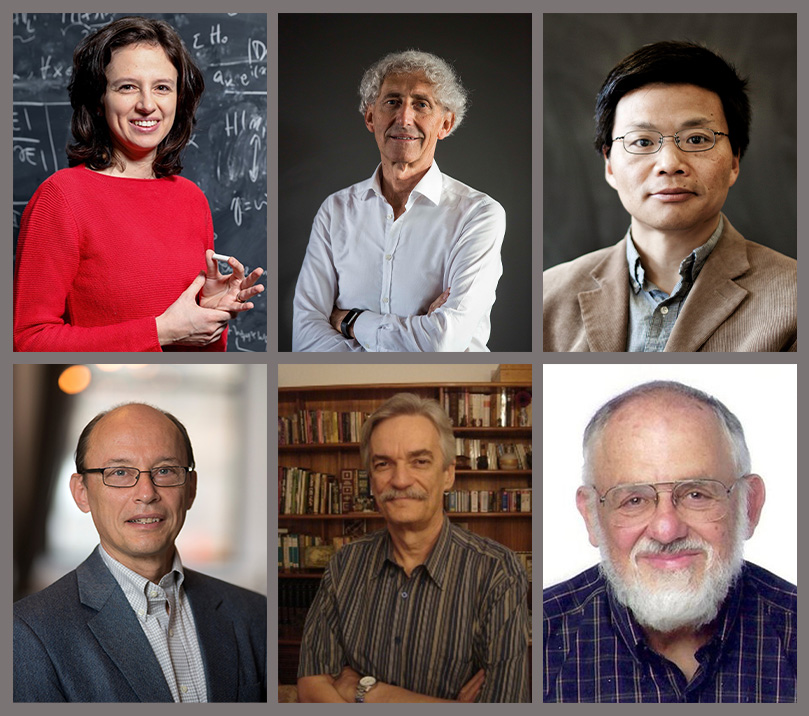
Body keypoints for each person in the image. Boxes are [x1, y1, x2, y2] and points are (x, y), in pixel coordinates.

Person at [13, 16, 264, 352]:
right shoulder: (61, 197)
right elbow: (28, 342)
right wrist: (160, 332)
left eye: (162, 87)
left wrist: (208, 312)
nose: (148, 104)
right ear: (99, 100)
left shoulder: (191, 198)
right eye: (127, 86)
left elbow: (196, 348)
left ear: (179, 98)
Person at [543, 381, 797, 702]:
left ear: (749, 506)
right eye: (634, 500)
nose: (666, 530)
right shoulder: (542, 634)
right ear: (592, 515)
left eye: (696, 494)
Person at [543, 41, 796, 352]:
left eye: (697, 139)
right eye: (642, 142)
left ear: (734, 161)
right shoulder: (547, 297)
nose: (669, 164)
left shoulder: (795, 299)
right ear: (609, 164)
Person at [13, 403, 267, 702]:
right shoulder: (28, 632)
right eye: (120, 472)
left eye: (165, 471)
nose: (147, 493)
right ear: (81, 492)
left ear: (191, 489)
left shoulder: (254, 614)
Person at [297, 393, 529, 702]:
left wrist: (369, 692)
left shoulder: (497, 571)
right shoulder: (344, 564)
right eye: (383, 464)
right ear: (372, 479)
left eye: (419, 461)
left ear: (448, 475)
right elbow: (311, 685)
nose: (401, 479)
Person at [292, 50, 506, 352]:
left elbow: (443, 341)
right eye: (392, 102)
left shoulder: (478, 215)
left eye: (421, 105)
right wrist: (415, 334)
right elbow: (305, 337)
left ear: (445, 124)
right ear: (370, 116)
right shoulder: (335, 211)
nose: (404, 118)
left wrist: (351, 321)